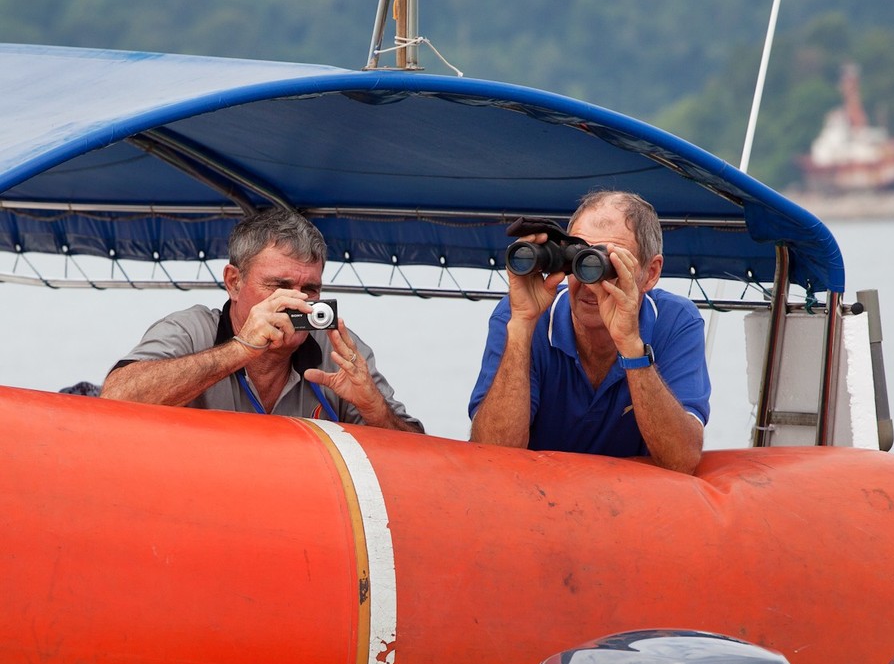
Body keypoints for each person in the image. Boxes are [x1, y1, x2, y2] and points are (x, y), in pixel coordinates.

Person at [101, 208, 423, 432]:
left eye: (309, 289)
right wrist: (239, 349)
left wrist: (375, 410)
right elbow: (114, 400)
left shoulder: (339, 349)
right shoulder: (190, 330)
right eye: (279, 286)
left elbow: (417, 457)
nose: (296, 302)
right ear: (233, 282)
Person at [468, 190, 709, 473]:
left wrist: (631, 345)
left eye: (606, 265)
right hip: (535, 499)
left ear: (651, 273)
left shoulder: (675, 321)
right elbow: (492, 455)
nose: (589, 282)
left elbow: (681, 460)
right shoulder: (520, 314)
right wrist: (522, 325)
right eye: (579, 261)